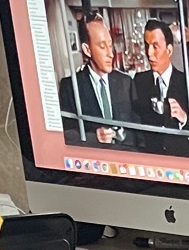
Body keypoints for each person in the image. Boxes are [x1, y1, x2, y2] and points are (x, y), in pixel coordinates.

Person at [56, 11, 134, 148]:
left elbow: (140, 134)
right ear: (87, 50)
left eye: (110, 45)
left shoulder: (126, 82)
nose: (110, 54)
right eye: (102, 46)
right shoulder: (70, 87)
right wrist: (94, 137)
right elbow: (65, 135)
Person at [133, 17, 189, 157]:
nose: (149, 53)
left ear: (169, 50)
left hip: (181, 160)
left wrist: (184, 119)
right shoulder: (138, 82)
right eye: (147, 46)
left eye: (155, 46)